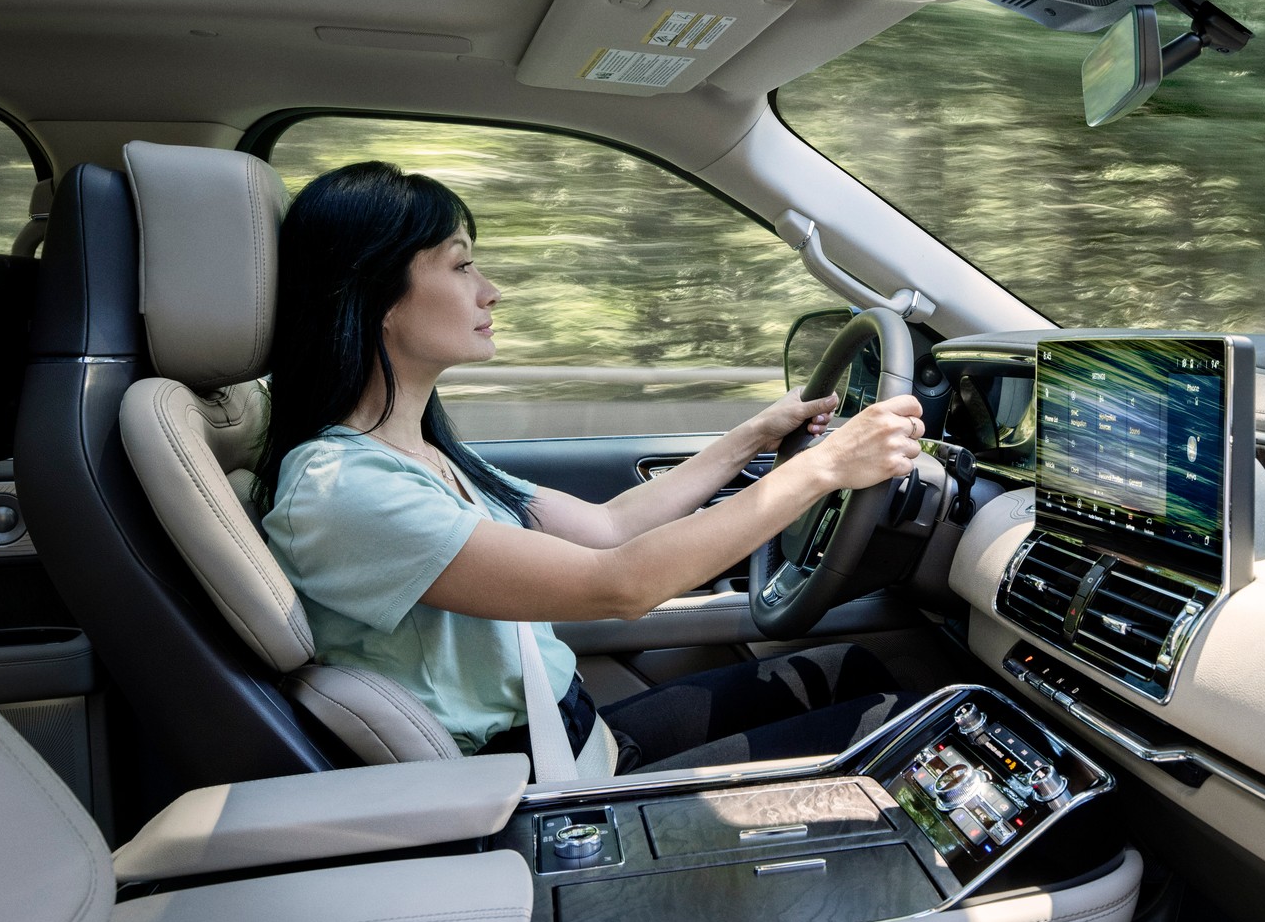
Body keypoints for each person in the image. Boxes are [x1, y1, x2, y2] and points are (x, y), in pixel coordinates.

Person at [255, 161, 929, 773]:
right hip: (541, 787)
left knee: (857, 671)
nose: (491, 292)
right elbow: (620, 585)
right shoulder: (346, 489)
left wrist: (755, 435)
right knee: (904, 728)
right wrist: (825, 468)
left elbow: (608, 528)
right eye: (462, 267)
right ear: (377, 293)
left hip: (576, 737)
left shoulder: (419, 454)